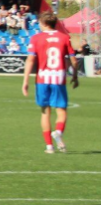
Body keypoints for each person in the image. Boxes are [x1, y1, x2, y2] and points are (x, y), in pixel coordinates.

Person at [21, 12, 79, 154]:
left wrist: (25, 81)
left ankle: (49, 147)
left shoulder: (36, 38)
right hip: (58, 78)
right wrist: (75, 76)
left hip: (42, 78)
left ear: (44, 23)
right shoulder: (64, 38)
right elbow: (74, 60)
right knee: (61, 111)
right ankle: (58, 131)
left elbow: (30, 60)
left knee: (45, 112)